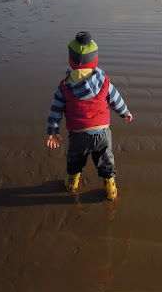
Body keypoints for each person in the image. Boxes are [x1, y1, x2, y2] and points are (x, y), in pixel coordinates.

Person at [46, 31, 132, 200]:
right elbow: (116, 100)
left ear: (71, 61)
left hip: (78, 135)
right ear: (95, 60)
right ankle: (110, 187)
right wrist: (125, 113)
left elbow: (55, 110)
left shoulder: (64, 87)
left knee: (75, 160)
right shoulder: (104, 82)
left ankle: (72, 182)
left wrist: (53, 131)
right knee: (106, 160)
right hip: (102, 133)